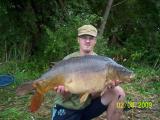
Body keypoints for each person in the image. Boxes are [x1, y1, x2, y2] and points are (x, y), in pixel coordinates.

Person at [52, 25, 125, 120]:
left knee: (118, 92)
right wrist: (64, 93)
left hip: (86, 107)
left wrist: (105, 86)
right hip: (67, 108)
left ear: (95, 41)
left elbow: (94, 95)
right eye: (84, 38)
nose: (87, 41)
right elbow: (64, 98)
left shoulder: (100, 62)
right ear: (78, 40)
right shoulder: (68, 60)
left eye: (91, 38)